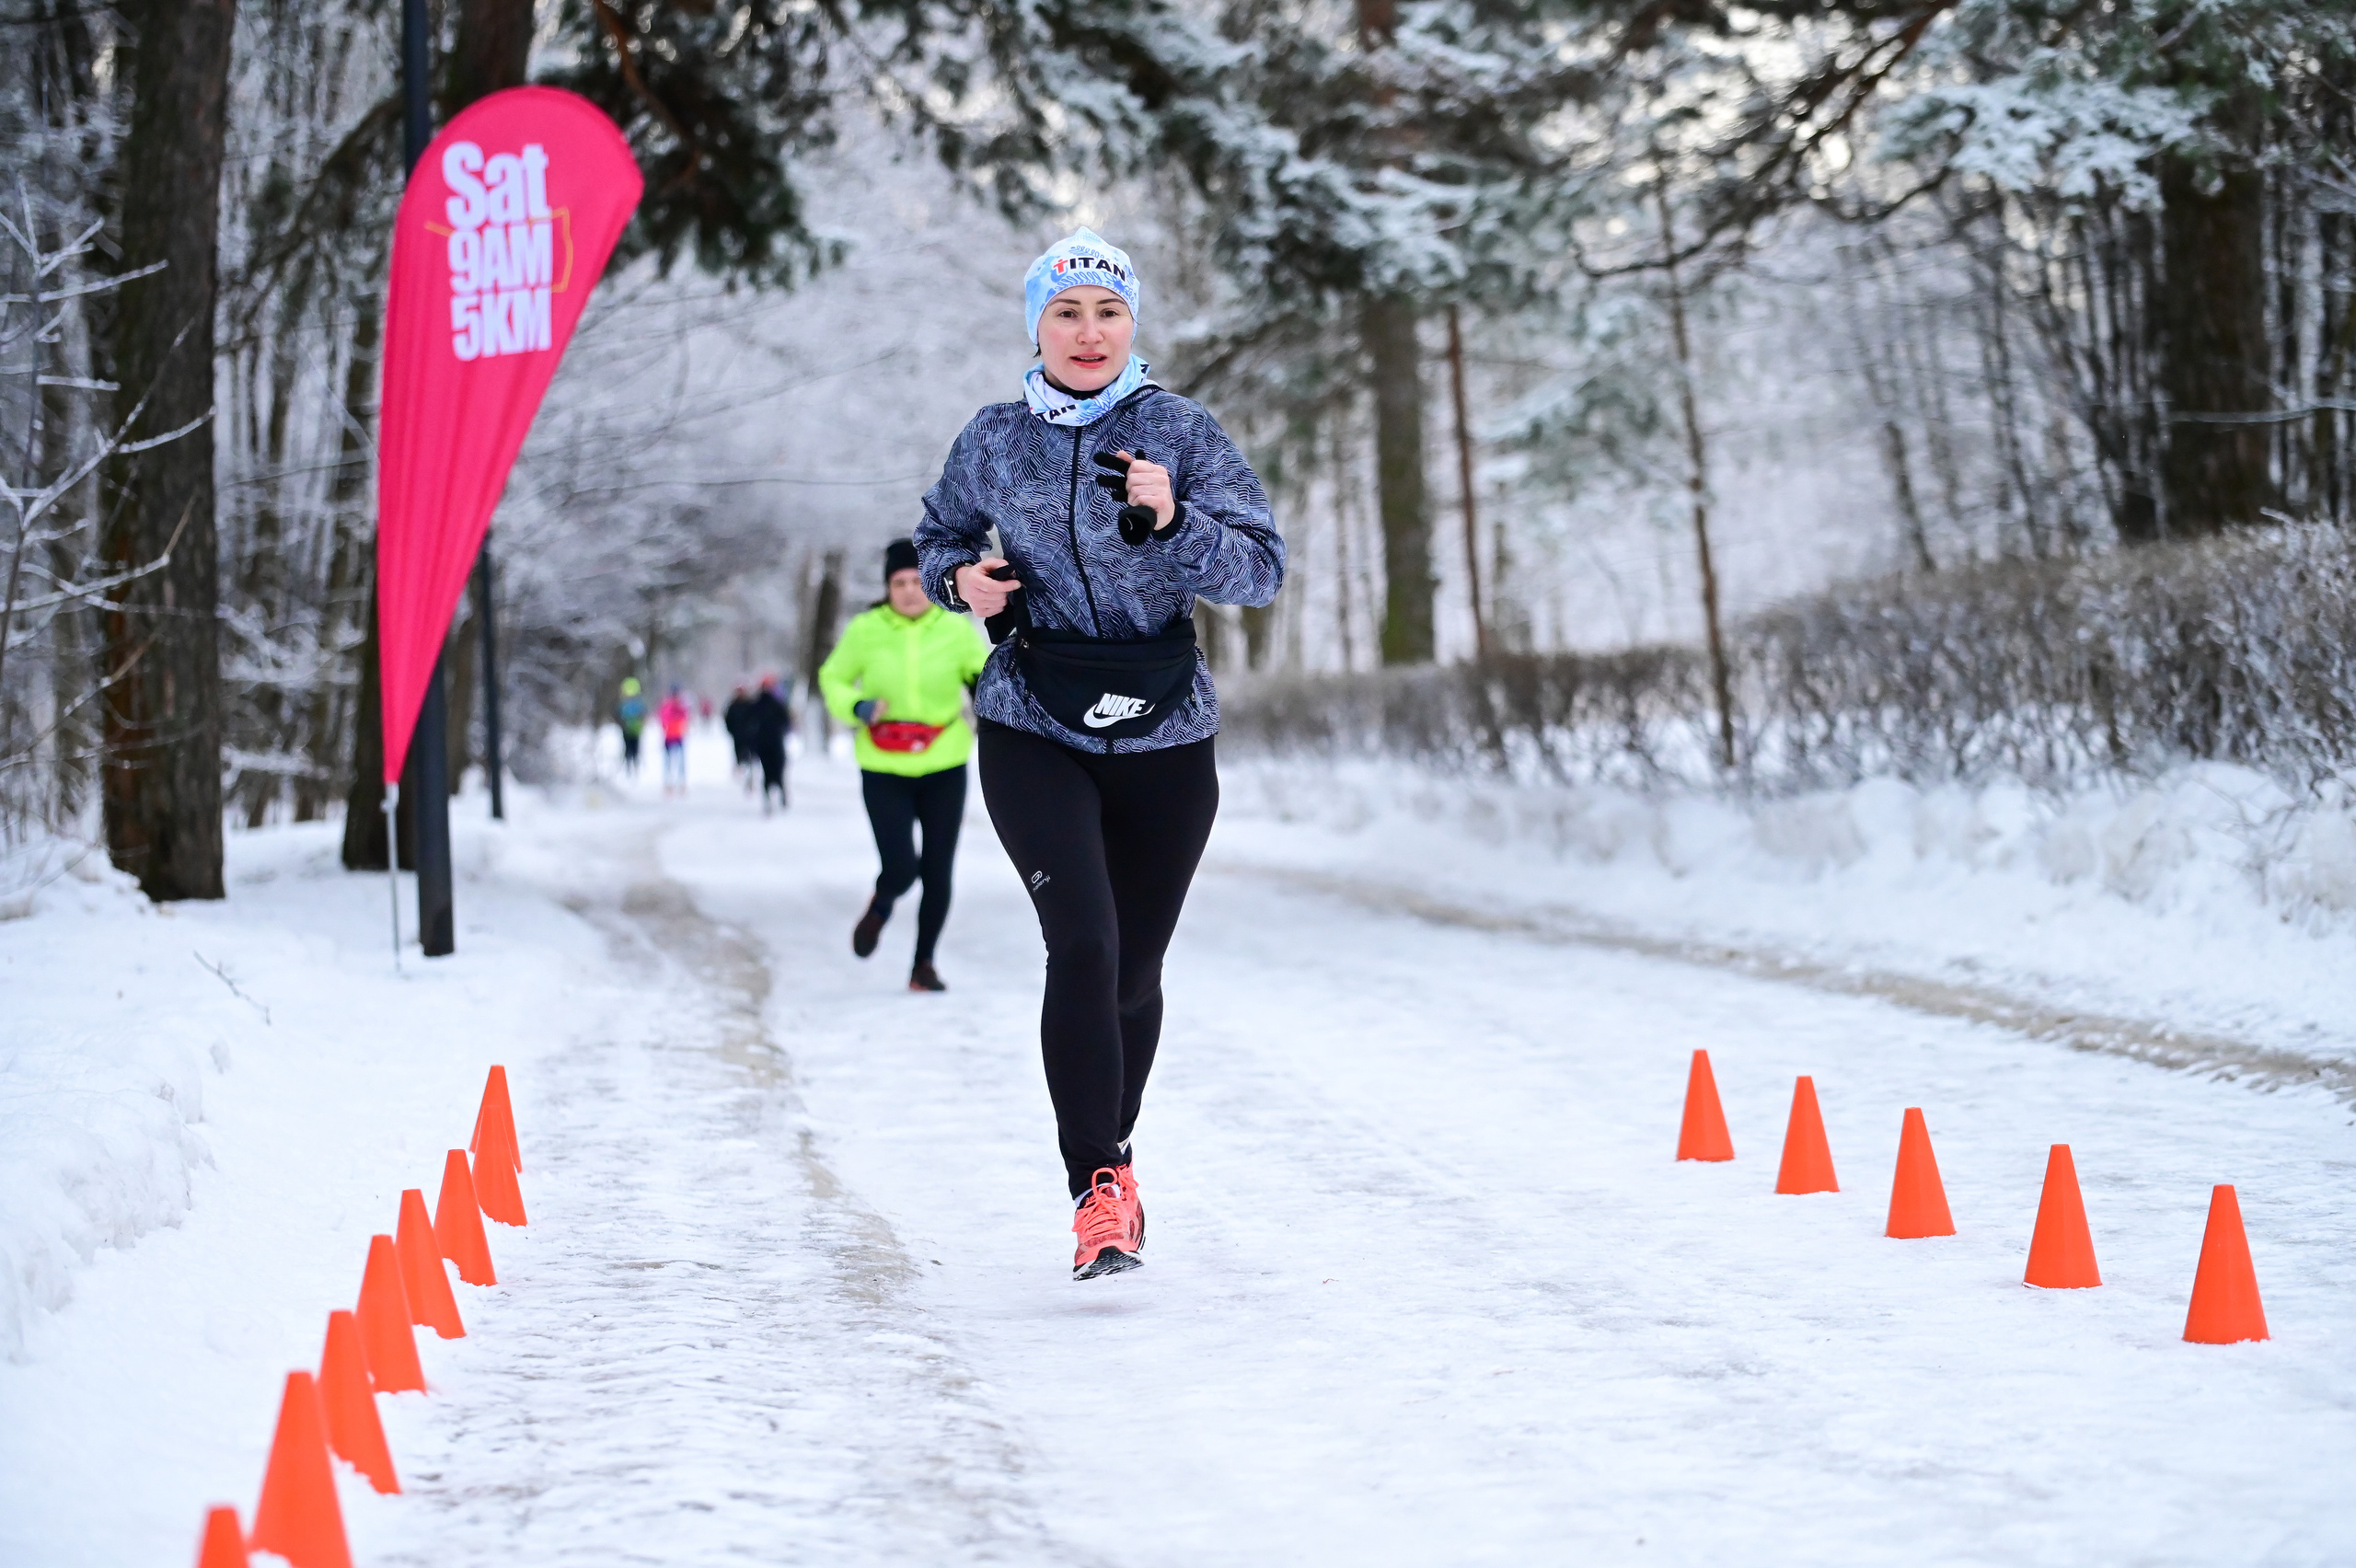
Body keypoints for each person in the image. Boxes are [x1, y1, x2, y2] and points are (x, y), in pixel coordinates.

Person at [913, 228, 1284, 1280]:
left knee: (1133, 966)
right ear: (1036, 325)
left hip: (1166, 733)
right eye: (1067, 312)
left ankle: (1111, 1161)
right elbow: (939, 535)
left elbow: (1260, 569)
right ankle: (1097, 1187)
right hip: (1034, 717)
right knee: (1080, 941)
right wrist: (959, 585)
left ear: (1133, 328)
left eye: (1108, 313)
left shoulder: (1180, 430)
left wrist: (1174, 523)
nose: (1089, 332)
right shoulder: (991, 438)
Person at [819, 537, 992, 993]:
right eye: (900, 582)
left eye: (918, 580)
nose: (910, 590)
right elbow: (832, 677)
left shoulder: (955, 629)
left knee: (938, 870)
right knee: (900, 867)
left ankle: (923, 965)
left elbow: (983, 674)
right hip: (883, 764)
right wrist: (856, 705)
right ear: (887, 587)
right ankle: (881, 906)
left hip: (943, 761)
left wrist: (984, 693)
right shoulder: (866, 629)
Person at [745, 674, 792, 813]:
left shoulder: (762, 704)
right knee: (775, 770)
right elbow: (786, 721)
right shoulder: (773, 704)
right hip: (771, 743)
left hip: (768, 743)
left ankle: (775, 796)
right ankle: (775, 797)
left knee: (772, 770)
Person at [656, 686, 692, 794]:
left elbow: (686, 718)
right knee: (668, 762)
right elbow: (663, 718)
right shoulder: (667, 706)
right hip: (669, 737)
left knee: (681, 761)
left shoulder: (681, 706)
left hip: (678, 736)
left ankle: (681, 782)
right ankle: (668, 783)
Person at [722, 684, 756, 793]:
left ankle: (750, 780)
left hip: (749, 737)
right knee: (740, 757)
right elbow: (728, 720)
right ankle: (742, 775)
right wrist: (732, 731)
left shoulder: (750, 705)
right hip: (738, 737)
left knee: (749, 758)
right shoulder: (733, 705)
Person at [616, 677, 647, 775]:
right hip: (628, 729)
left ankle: (633, 766)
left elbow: (643, 714)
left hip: (634, 729)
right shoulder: (625, 704)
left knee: (634, 748)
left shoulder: (635, 703)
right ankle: (629, 767)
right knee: (628, 748)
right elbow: (619, 715)